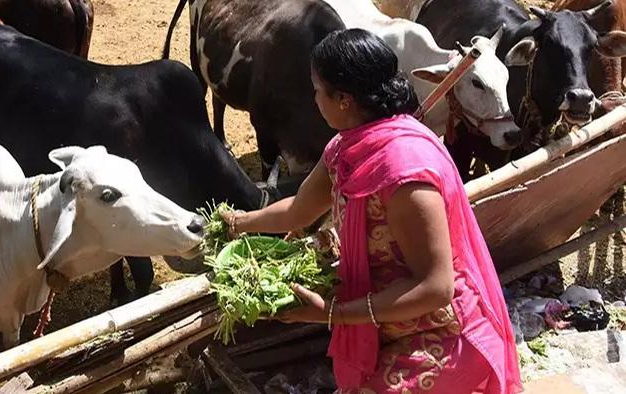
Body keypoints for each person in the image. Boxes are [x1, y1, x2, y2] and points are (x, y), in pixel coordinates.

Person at [219, 28, 523, 394]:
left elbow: (436, 288)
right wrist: (238, 223)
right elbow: (298, 211)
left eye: (317, 89)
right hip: (391, 325)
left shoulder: (403, 170)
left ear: (344, 99)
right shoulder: (344, 149)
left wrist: (333, 314)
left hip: (444, 333)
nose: (314, 98)